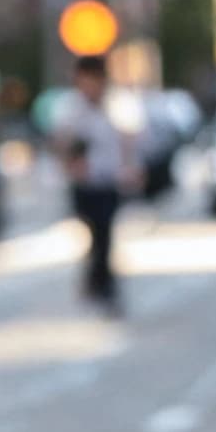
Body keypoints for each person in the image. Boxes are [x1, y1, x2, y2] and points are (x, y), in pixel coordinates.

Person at [54, 55, 140, 316]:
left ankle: (103, 287)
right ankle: (98, 283)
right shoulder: (72, 109)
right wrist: (71, 164)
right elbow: (61, 143)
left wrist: (130, 167)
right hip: (84, 184)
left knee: (105, 234)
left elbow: (129, 139)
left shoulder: (117, 105)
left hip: (109, 181)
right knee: (96, 234)